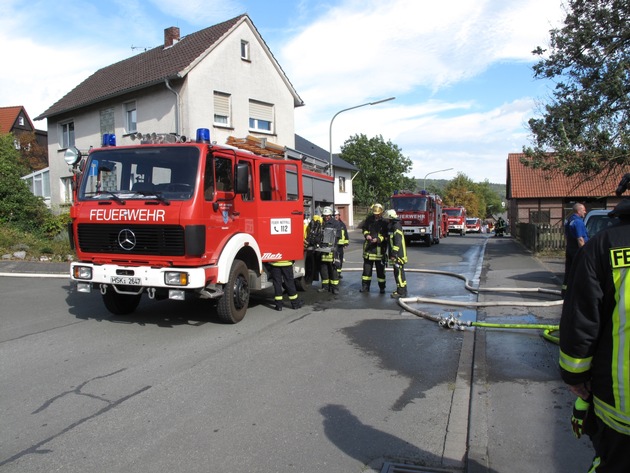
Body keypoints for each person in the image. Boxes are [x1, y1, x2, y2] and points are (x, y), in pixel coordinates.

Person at [559, 192, 630, 472]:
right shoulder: (580, 227)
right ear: (580, 211)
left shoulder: (604, 247)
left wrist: (575, 376)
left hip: (621, 405)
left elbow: (582, 321)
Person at [359, 203, 388, 293]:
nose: (376, 215)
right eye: (375, 214)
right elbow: (364, 229)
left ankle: (382, 288)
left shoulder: (384, 222)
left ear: (381, 213)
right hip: (369, 250)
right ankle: (365, 287)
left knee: (380, 272)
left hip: (379, 250)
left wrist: (378, 239)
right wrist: (367, 235)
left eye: (378, 214)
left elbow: (386, 235)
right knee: (366, 272)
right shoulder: (369, 220)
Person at [562, 202, 588, 296]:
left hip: (570, 249)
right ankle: (577, 294)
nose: (585, 211)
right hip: (577, 250)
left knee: (569, 271)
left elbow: (566, 235)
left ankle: (565, 292)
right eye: (584, 210)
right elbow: (580, 239)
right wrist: (584, 252)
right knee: (579, 272)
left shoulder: (569, 220)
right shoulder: (578, 222)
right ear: (579, 210)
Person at [383, 209, 408, 298]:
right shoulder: (394, 226)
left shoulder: (396, 227)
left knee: (398, 273)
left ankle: (400, 292)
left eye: (387, 219)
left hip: (398, 255)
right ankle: (403, 289)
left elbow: (397, 242)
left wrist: (393, 254)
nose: (387, 221)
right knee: (400, 272)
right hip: (398, 254)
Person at [317, 206, 341, 294]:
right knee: (323, 270)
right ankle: (325, 287)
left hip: (332, 251)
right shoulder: (321, 223)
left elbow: (338, 236)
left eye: (327, 216)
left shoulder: (336, 223)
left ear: (330, 215)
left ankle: (335, 288)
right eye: (325, 216)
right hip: (322, 251)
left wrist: (331, 243)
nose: (326, 217)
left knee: (333, 270)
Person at [334, 209, 349, 279]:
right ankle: (335, 272)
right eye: (334, 215)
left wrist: (346, 243)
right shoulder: (332, 224)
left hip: (340, 245)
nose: (335, 217)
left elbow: (345, 234)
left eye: (336, 215)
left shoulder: (342, 225)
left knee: (340, 259)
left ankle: (339, 273)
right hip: (334, 245)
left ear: (339, 216)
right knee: (335, 259)